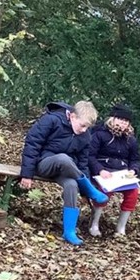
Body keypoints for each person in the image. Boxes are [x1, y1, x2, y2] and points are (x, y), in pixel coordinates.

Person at [19, 99, 109, 246]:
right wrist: (27, 174)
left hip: (66, 170)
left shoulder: (85, 136)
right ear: (72, 116)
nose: (84, 130)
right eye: (82, 125)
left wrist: (84, 195)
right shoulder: (52, 120)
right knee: (64, 158)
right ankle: (90, 189)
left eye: (87, 127)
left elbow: (83, 163)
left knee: (72, 185)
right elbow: (32, 144)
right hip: (43, 164)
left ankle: (69, 231)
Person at [87, 103, 140, 238]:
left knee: (133, 192)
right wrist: (100, 170)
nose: (123, 123)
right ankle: (94, 223)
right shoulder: (100, 134)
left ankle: (121, 227)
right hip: (104, 171)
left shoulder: (131, 140)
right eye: (121, 120)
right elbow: (90, 155)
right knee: (105, 191)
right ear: (113, 119)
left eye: (126, 121)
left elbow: (135, 159)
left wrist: (134, 170)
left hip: (122, 174)